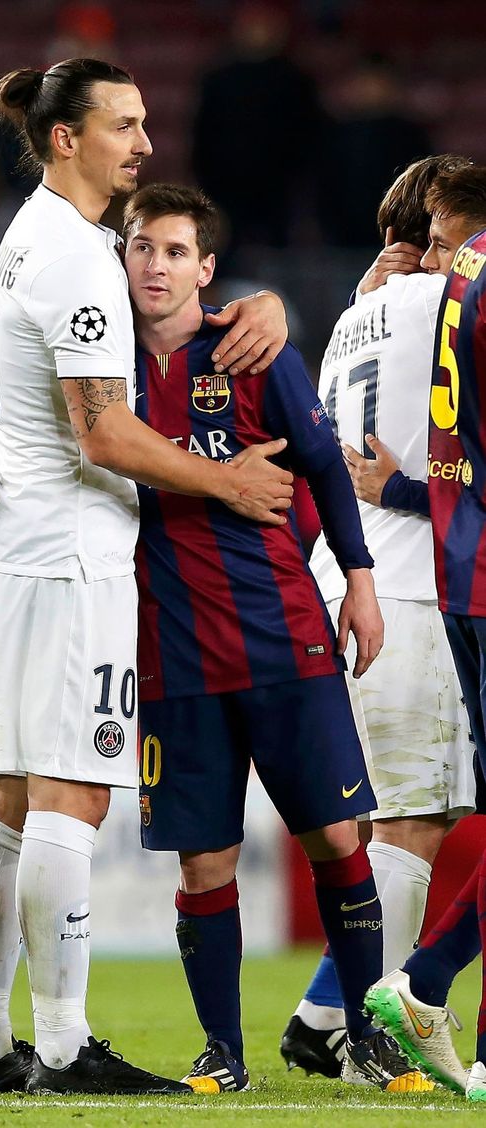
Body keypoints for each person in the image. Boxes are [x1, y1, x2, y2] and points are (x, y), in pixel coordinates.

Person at [0, 183, 438, 1095]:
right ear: (123, 257)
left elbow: (322, 465)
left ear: (207, 268)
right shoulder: (101, 358)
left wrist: (359, 583)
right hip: (170, 654)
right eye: (142, 247)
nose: (154, 265)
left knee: (337, 839)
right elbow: (50, 451)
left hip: (284, 640)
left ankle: (364, 1039)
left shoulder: (254, 350)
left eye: (176, 251)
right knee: (206, 861)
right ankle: (223, 1055)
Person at [0, 58, 296, 1097]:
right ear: (64, 136)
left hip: (7, 547)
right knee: (72, 794)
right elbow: (105, 434)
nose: (144, 142)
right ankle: (65, 1050)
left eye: (145, 121)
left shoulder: (24, 233)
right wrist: (225, 482)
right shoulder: (74, 258)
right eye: (123, 124)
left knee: (16, 801)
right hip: (70, 560)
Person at [281, 156, 476, 1080]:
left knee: (374, 826)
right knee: (416, 822)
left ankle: (326, 1013)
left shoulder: (350, 320)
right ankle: (364, 1033)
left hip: (335, 585)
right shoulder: (457, 312)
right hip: (410, 593)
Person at [361, 168, 486, 1103]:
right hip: (448, 585)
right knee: (423, 815)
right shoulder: (465, 304)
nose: (439, 259)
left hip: (447, 583)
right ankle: (416, 985)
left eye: (447, 241)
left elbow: (448, 463)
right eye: (436, 241)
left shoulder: (431, 309)